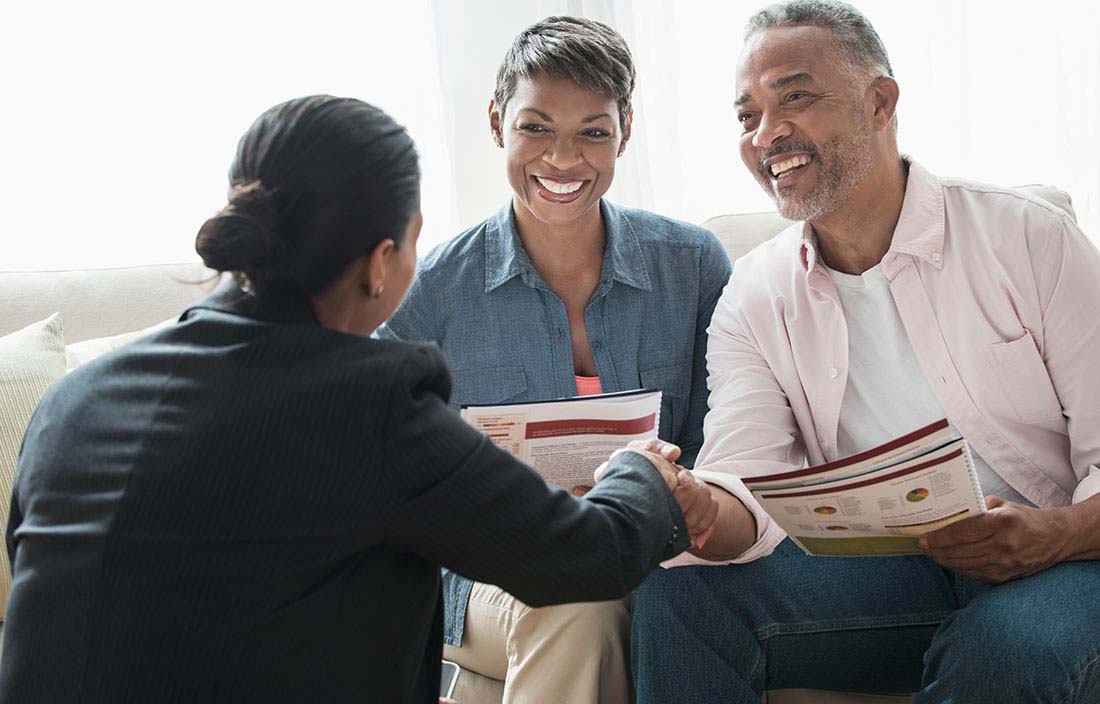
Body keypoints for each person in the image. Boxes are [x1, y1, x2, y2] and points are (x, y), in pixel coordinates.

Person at [0, 95, 718, 703]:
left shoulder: (73, 401)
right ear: (382, 261)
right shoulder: (369, 401)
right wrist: (639, 472)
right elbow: (589, 557)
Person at [629, 2, 1100, 702]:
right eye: (746, 114)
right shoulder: (753, 296)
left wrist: (1051, 535)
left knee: (1004, 648)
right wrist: (696, 506)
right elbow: (746, 487)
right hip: (893, 571)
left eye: (796, 96)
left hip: (1064, 561)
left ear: (880, 102)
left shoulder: (1029, 238)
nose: (767, 133)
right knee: (679, 600)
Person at [376, 15, 731, 704]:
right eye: (536, 127)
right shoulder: (430, 290)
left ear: (624, 129)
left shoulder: (692, 268)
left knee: (635, 597)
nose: (563, 160)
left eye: (592, 132)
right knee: (579, 596)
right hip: (483, 576)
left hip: (659, 554)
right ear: (495, 122)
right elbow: (376, 466)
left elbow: (732, 439)